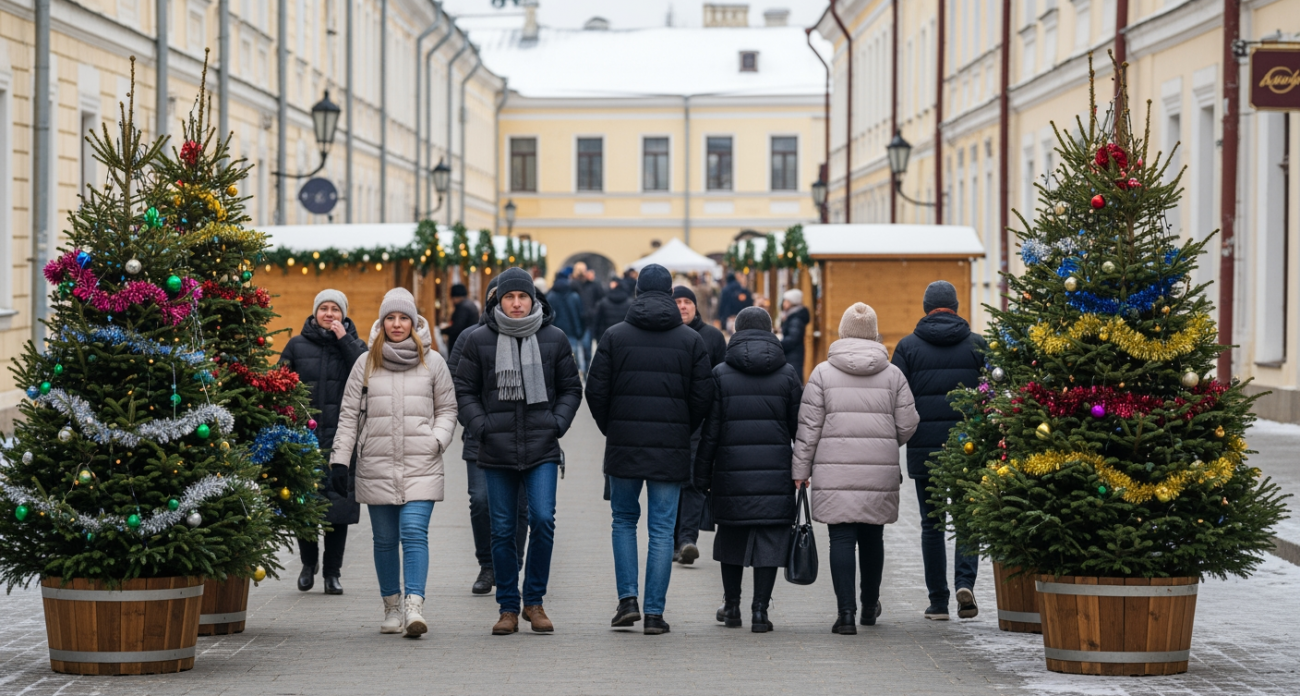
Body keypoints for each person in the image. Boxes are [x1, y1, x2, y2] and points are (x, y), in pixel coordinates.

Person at [585, 263, 714, 635]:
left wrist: (613, 427)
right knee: (661, 529)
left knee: (624, 521)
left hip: (624, 445)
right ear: (672, 295)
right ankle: (655, 614)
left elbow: (595, 391)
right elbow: (703, 396)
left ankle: (628, 601)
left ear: (637, 292)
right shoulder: (691, 340)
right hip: (671, 448)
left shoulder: (614, 336)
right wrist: (681, 428)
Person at [454, 267, 583, 636]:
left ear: (532, 300)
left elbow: (572, 388)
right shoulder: (479, 339)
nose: (515, 303)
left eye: (521, 296)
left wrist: (557, 423)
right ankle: (508, 607)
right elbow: (463, 389)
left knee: (542, 520)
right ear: (498, 299)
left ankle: (535, 601)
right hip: (495, 448)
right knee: (503, 530)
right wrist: (481, 426)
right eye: (509, 297)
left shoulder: (554, 338)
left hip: (542, 447)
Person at [331, 288, 458, 638]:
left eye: (404, 318)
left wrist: (437, 439)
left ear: (415, 322)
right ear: (382, 321)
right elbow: (348, 416)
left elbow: (448, 409)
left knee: (414, 532)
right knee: (385, 539)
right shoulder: (365, 362)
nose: (398, 324)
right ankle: (391, 606)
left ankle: (414, 606)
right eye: (391, 318)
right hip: (377, 462)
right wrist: (340, 461)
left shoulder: (433, 362)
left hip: (421, 462)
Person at [793, 302, 919, 635]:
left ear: (843, 331)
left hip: (835, 473)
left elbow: (808, 429)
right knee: (873, 536)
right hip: (878, 471)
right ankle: (868, 607)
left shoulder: (822, 373)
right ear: (874, 333)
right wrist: (885, 443)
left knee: (841, 540)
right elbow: (908, 423)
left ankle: (845, 615)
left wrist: (800, 469)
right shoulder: (893, 374)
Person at [694, 307, 802, 633]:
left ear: (736, 331)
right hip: (776, 473)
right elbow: (800, 428)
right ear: (771, 331)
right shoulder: (787, 374)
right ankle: (760, 612)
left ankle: (731, 607)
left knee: (731, 536)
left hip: (731, 472)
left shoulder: (721, 373)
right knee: (770, 539)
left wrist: (701, 474)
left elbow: (710, 431)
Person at [890, 280, 986, 621]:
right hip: (968, 449)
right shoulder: (978, 345)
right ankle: (965, 583)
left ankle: (937, 602)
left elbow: (896, 399)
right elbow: (991, 396)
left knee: (932, 525)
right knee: (966, 523)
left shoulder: (908, 347)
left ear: (926, 307)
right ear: (956, 307)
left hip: (924, 450)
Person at [279, 290, 369, 596]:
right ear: (314, 312)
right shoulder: (296, 345)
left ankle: (332, 573)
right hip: (304, 438)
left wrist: (344, 340)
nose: (329, 314)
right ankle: (308, 564)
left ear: (344, 315)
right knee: (304, 504)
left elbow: (366, 373)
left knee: (338, 507)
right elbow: (280, 383)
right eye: (324, 309)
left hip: (340, 438)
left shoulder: (355, 346)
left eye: (335, 310)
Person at [447, 278, 529, 596]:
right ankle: (488, 564)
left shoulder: (535, 335)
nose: (509, 303)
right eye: (501, 297)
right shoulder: (471, 337)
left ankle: (514, 564)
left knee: (519, 506)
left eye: (518, 296)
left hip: (525, 438)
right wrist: (475, 422)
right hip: (480, 436)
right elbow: (456, 385)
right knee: (481, 502)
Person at [670, 285, 726, 565]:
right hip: (670, 420)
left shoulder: (713, 337)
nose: (683, 306)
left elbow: (722, 377)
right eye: (677, 301)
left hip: (701, 422)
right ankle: (671, 541)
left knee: (693, 482)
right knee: (670, 482)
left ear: (695, 306)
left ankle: (687, 540)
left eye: (687, 301)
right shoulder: (665, 335)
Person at [547, 271, 587, 373]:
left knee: (559, 360)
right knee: (574, 360)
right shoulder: (574, 296)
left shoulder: (551, 296)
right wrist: (580, 331)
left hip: (555, 333)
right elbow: (580, 315)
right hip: (572, 332)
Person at [780, 289, 810, 382]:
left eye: (787, 301)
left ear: (793, 303)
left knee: (793, 379)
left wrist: (779, 344)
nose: (784, 303)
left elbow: (793, 338)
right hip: (794, 353)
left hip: (793, 355)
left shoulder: (795, 318)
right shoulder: (792, 315)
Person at [443, 283, 479, 353]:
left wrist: (444, 330)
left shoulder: (462, 307)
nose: (453, 301)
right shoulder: (470, 304)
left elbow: (457, 328)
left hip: (461, 346)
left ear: (455, 297)